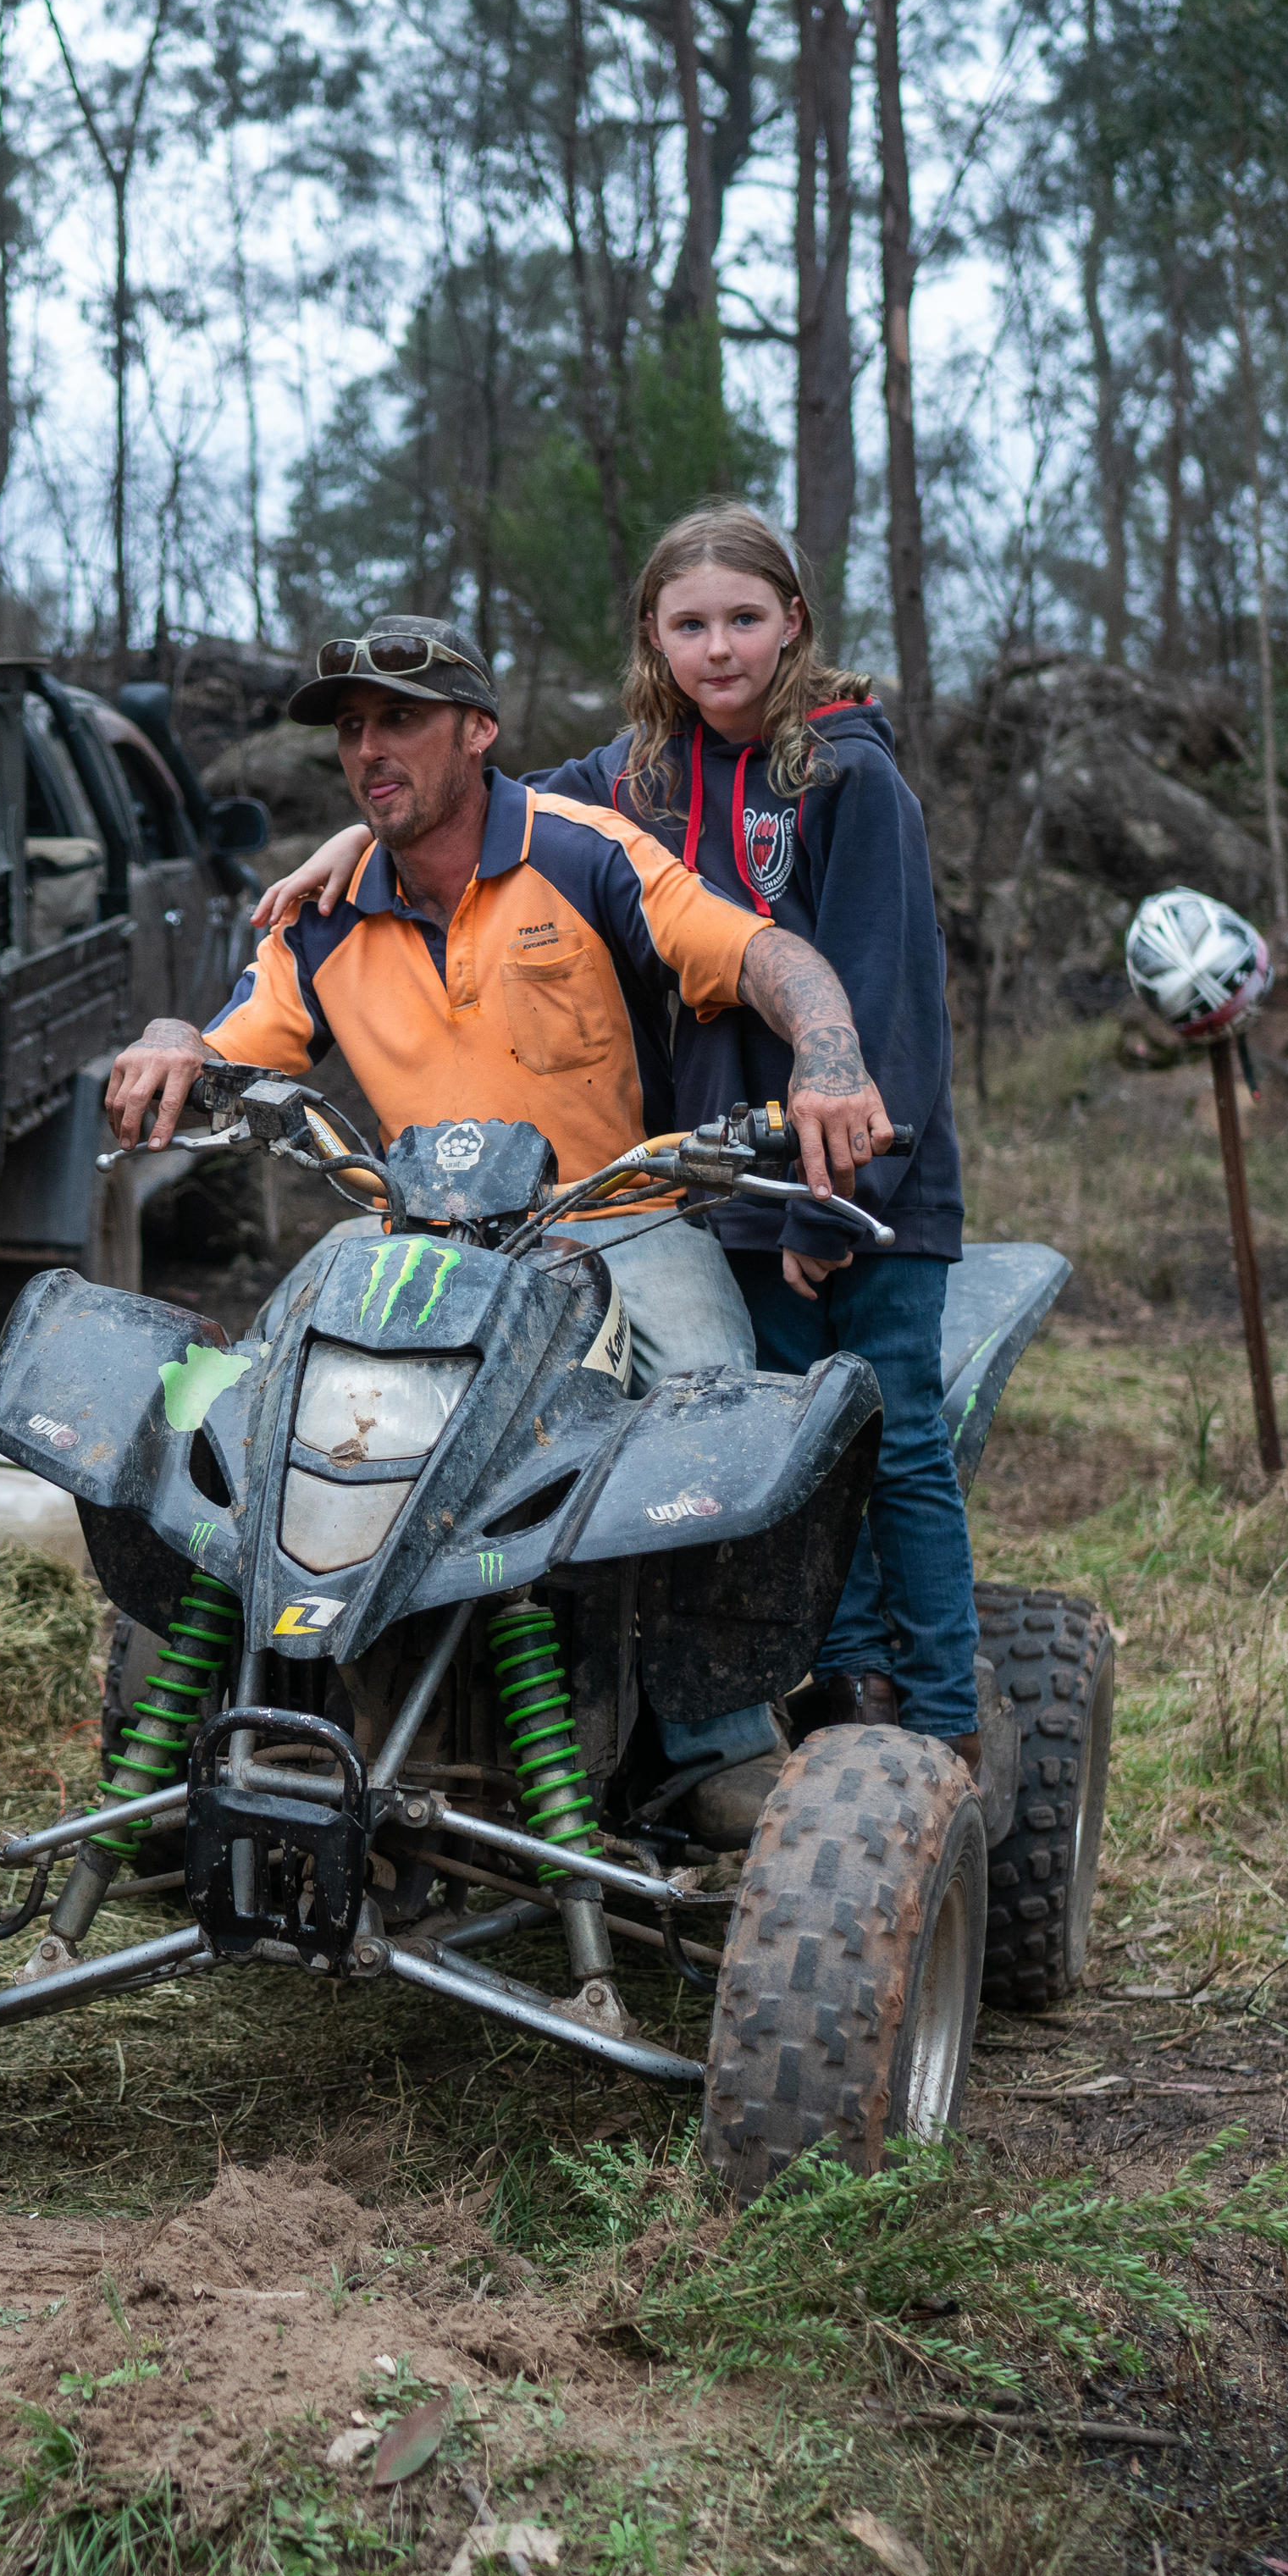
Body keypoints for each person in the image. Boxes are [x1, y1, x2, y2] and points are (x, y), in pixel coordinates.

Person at [251, 509, 970, 1847]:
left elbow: (873, 991)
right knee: (271, 1397)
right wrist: (353, 838)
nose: (717, 646)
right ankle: (285, 1709)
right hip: (677, 1185)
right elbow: (479, 800)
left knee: (800, 1434)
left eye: (742, 620)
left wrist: (836, 1185)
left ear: (793, 624)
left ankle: (889, 1717)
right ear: (653, 637)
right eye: (688, 624)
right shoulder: (630, 777)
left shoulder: (846, 777)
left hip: (825, 1173)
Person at [106, 612, 889, 1400]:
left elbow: (764, 952)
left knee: (708, 1418)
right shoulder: (323, 916)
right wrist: (175, 1039)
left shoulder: (585, 853)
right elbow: (226, 1051)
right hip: (411, 1240)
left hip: (623, 1226)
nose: (369, 748)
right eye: (352, 727)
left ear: (478, 729)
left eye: (401, 718)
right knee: (251, 1411)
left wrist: (828, 1057)